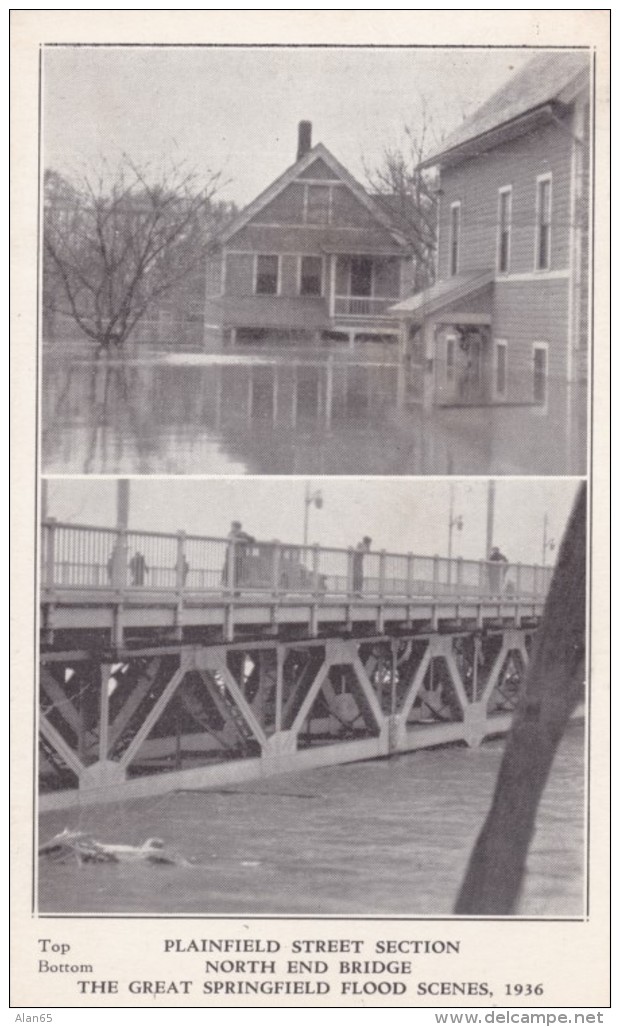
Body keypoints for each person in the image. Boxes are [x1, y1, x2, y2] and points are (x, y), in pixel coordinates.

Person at [223, 521, 255, 589]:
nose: (231, 528)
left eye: (232, 527)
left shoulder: (242, 534)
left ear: (237, 528)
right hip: (231, 557)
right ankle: (228, 589)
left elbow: (252, 539)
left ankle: (235, 590)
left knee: (236, 574)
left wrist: (242, 538)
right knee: (228, 573)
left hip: (237, 556)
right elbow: (231, 539)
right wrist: (242, 538)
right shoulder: (232, 534)